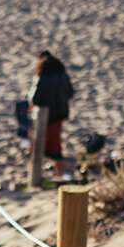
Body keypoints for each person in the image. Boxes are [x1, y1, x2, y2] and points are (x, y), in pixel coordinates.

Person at [30, 51, 75, 181]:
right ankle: (59, 174)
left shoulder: (43, 76)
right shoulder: (63, 74)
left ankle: (40, 176)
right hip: (59, 115)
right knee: (56, 146)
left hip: (45, 116)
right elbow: (71, 93)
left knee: (42, 145)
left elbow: (35, 98)